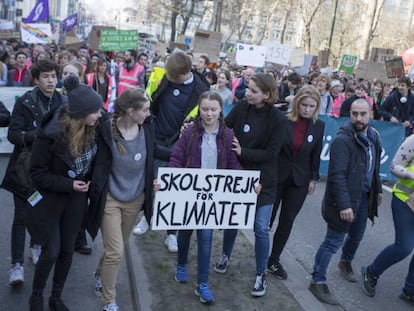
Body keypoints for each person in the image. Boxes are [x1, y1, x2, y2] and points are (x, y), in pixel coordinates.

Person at [28, 76, 107, 310]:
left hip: (77, 199)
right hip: (51, 197)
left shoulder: (95, 126)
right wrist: (68, 184)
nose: (101, 115)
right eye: (96, 111)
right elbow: (37, 173)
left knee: (66, 250)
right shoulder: (50, 134)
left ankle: (55, 297)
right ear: (82, 113)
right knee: (51, 251)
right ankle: (36, 296)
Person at [215, 73, 287, 297]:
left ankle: (260, 274)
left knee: (261, 228)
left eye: (254, 91)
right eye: (248, 88)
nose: (248, 93)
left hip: (264, 181)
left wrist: (242, 151)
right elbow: (224, 129)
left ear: (267, 95)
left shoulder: (278, 119)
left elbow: (272, 153)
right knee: (231, 220)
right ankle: (225, 255)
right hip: (237, 177)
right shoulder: (241, 108)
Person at [169, 91, 243, 304]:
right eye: (205, 109)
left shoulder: (228, 135)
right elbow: (177, 157)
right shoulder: (190, 132)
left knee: (206, 238)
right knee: (184, 232)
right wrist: (167, 179)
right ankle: (181, 264)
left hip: (211, 197)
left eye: (213, 109)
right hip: (190, 192)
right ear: (199, 110)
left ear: (221, 110)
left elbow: (233, 164)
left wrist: (248, 185)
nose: (209, 114)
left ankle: (202, 283)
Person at [133, 51, 209, 252]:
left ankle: (171, 233)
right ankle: (148, 218)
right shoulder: (160, 75)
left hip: (181, 143)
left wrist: (193, 126)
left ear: (185, 72)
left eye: (173, 76)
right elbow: (148, 95)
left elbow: (206, 117)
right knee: (151, 182)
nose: (170, 78)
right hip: (156, 137)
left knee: (175, 189)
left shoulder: (202, 90)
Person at [308, 98, 383, 305]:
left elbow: (373, 166)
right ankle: (317, 280)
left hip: (364, 197)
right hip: (344, 201)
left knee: (357, 236)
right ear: (349, 114)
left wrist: (377, 190)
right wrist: (344, 205)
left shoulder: (374, 135)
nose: (358, 118)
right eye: (354, 114)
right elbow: (337, 175)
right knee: (333, 241)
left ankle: (345, 262)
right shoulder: (343, 140)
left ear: (371, 115)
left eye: (363, 114)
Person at [1, 60, 67, 287]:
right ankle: (16, 265)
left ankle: (36, 246)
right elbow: (13, 135)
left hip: (49, 172)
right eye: (46, 77)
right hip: (24, 171)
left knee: (41, 214)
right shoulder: (26, 102)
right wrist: (39, 135)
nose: (50, 81)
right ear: (36, 79)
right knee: (20, 218)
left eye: (53, 76)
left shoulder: (63, 102)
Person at [94, 88, 158, 311]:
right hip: (110, 198)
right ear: (131, 111)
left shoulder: (147, 127)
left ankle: (100, 273)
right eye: (146, 110)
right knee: (115, 251)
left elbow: (157, 153)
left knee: (116, 246)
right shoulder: (105, 130)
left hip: (135, 199)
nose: (149, 114)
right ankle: (108, 301)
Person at [267, 85, 325, 280]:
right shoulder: (283, 120)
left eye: (311, 106)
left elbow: (315, 153)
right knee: (266, 219)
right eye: (304, 105)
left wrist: (313, 178)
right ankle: (260, 253)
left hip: (299, 180)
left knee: (287, 221)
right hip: (276, 176)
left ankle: (274, 259)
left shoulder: (319, 126)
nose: (307, 109)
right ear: (297, 103)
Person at [361, 134, 414, 304]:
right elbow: (394, 166)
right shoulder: (413, 140)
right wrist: (411, 176)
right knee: (404, 247)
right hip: (405, 200)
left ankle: (410, 289)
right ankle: (371, 272)